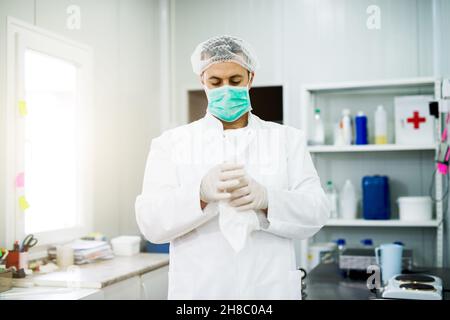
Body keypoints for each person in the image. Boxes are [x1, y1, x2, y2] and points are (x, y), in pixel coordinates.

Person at [135, 35, 329, 300]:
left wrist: (267, 199)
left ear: (250, 77)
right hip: (201, 292)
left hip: (269, 289)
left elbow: (316, 211)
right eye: (215, 82)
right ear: (201, 80)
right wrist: (199, 194)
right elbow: (151, 223)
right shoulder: (171, 143)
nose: (226, 89)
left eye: (235, 81)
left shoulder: (286, 140)